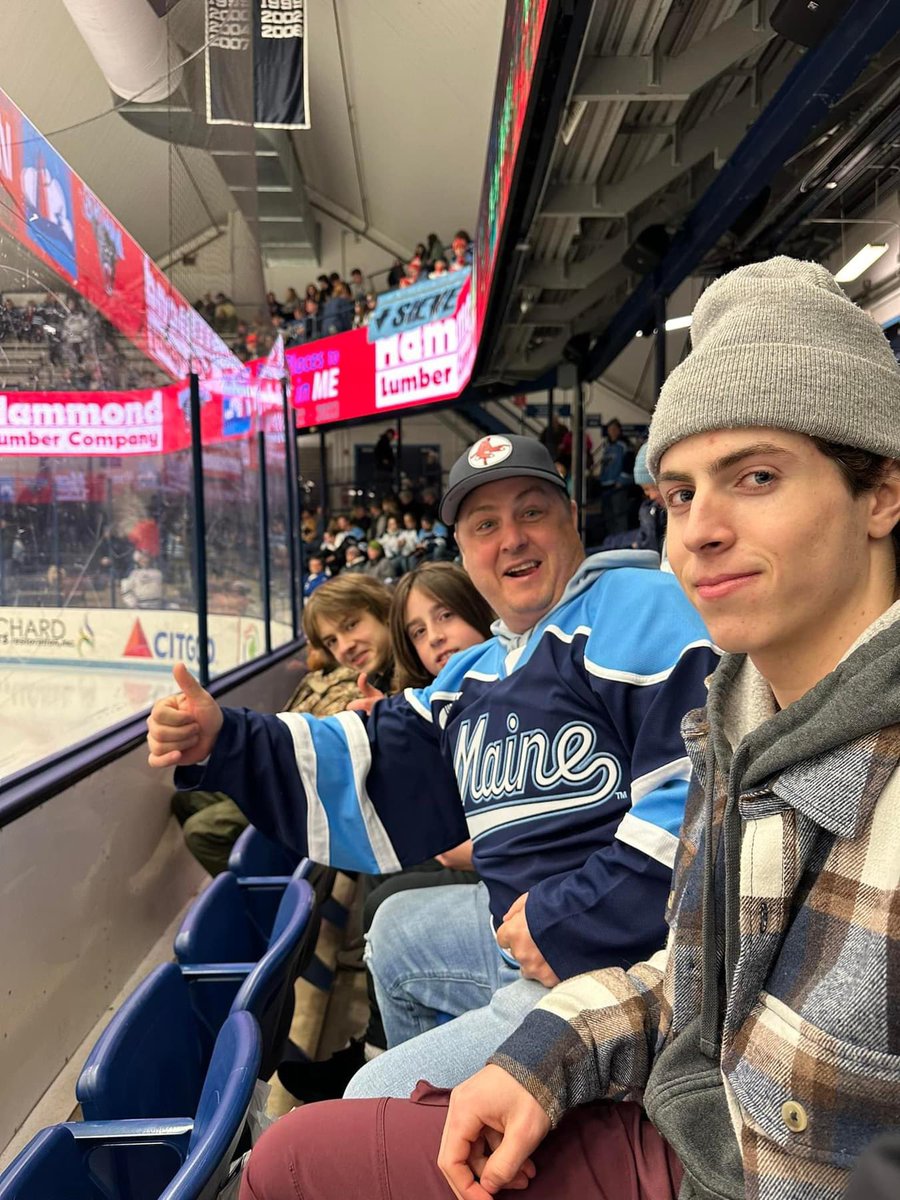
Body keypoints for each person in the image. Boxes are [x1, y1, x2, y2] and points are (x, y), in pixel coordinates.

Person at [237, 256, 900, 1200]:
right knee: (391, 958)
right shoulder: (740, 719)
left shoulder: (671, 652)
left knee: (328, 1135)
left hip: (721, 1155)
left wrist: (564, 925)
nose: (700, 530)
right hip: (679, 1092)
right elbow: (701, 971)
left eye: (754, 477)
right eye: (679, 494)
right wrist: (550, 1055)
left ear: (880, 492)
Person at [148, 434, 717, 1102]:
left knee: (368, 1103)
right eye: (485, 525)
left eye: (530, 512)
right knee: (398, 931)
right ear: (465, 551)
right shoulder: (476, 671)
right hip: (536, 944)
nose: (511, 539)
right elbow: (364, 755)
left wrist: (570, 920)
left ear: (571, 519)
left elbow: (701, 802)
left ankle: (475, 1114)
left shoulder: (635, 604)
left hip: (621, 971)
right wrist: (225, 737)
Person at [281, 563, 495, 1103]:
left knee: (389, 896)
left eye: (446, 616)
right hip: (479, 854)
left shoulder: (491, 680)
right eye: (420, 630)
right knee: (386, 890)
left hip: (503, 878)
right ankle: (384, 1051)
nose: (346, 646)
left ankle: (383, 1055)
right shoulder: (426, 689)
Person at [601, 443, 667, 554]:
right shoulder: (651, 511)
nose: (652, 495)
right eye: (646, 490)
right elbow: (644, 537)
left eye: (655, 487)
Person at [598, 418, 633, 535]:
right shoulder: (606, 446)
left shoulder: (624, 445)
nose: (612, 431)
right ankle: (611, 542)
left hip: (618, 486)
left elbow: (629, 464)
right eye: (610, 429)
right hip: (605, 485)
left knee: (619, 514)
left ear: (619, 430)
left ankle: (621, 541)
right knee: (608, 516)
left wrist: (621, 481)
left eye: (614, 429)